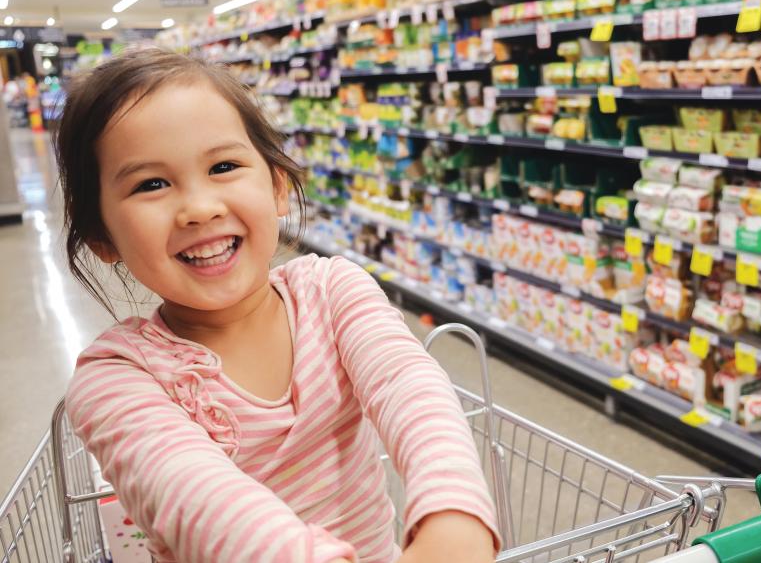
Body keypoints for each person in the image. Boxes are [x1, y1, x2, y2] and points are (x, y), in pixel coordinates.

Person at [55, 48, 499, 563]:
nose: (201, 208)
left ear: (277, 187)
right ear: (101, 236)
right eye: (151, 184)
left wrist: (453, 515)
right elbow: (202, 502)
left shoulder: (332, 292)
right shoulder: (117, 378)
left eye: (223, 166)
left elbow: (409, 387)